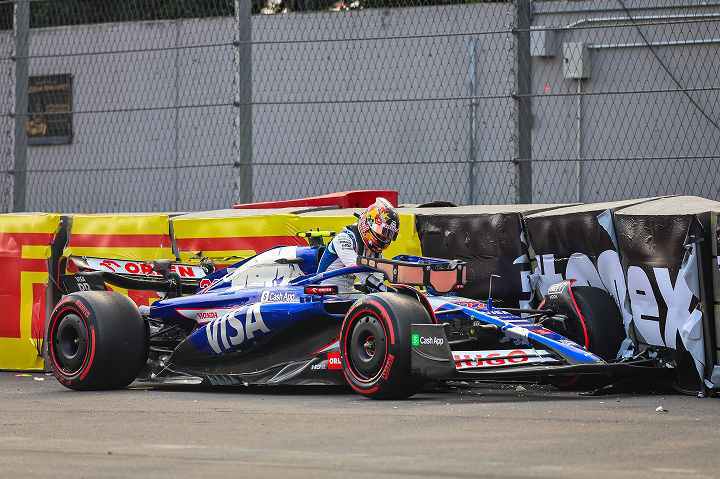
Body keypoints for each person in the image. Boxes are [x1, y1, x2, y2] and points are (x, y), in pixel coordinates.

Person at [317, 197, 399, 291]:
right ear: (368, 224)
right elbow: (355, 268)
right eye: (382, 233)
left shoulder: (374, 251)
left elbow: (378, 277)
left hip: (348, 293)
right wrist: (383, 288)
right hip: (324, 294)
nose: (384, 238)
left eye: (388, 235)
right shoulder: (344, 238)